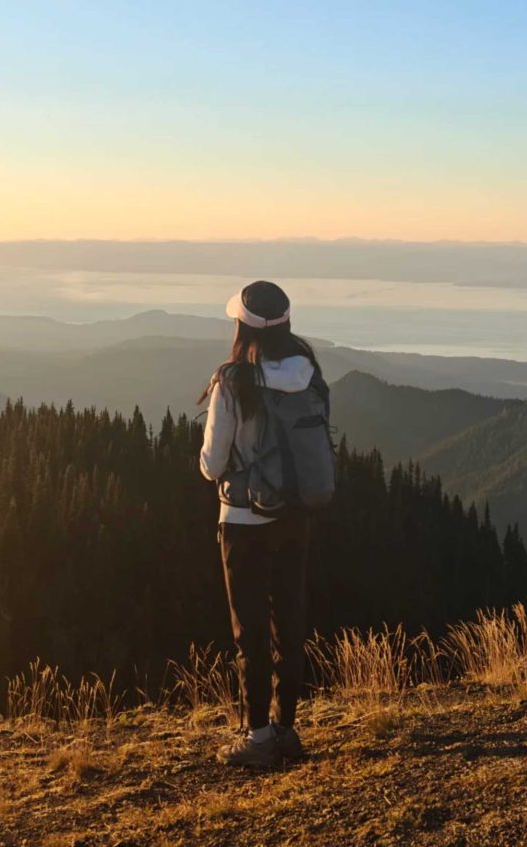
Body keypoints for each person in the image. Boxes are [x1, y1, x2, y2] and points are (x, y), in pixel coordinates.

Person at [199, 280, 327, 769]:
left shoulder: (233, 381)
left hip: (244, 519)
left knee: (248, 630)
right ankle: (286, 728)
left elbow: (213, 462)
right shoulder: (308, 374)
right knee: (287, 622)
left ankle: (256, 739)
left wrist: (209, 464)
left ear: (242, 326)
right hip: (295, 515)